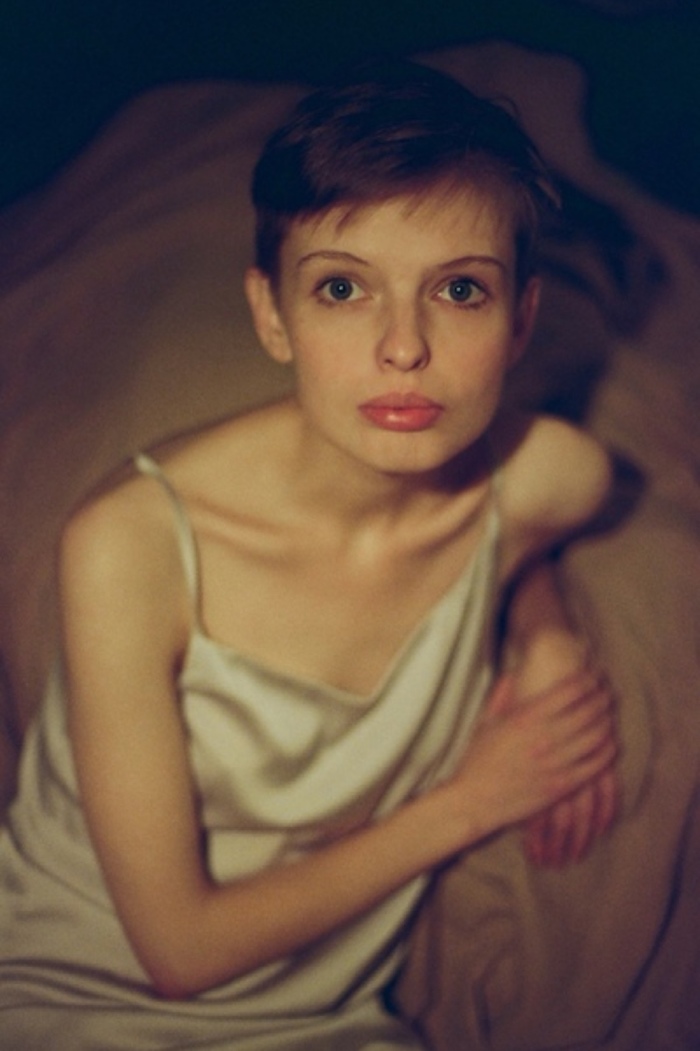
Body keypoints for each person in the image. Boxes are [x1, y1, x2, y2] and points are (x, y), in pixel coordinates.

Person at [0, 60, 618, 1049]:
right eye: (342, 288)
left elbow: (521, 541)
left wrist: (542, 629)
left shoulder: (554, 478)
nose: (403, 347)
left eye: (460, 289)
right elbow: (179, 952)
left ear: (521, 321)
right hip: (74, 1000)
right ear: (271, 315)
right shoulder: (129, 545)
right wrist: (471, 801)